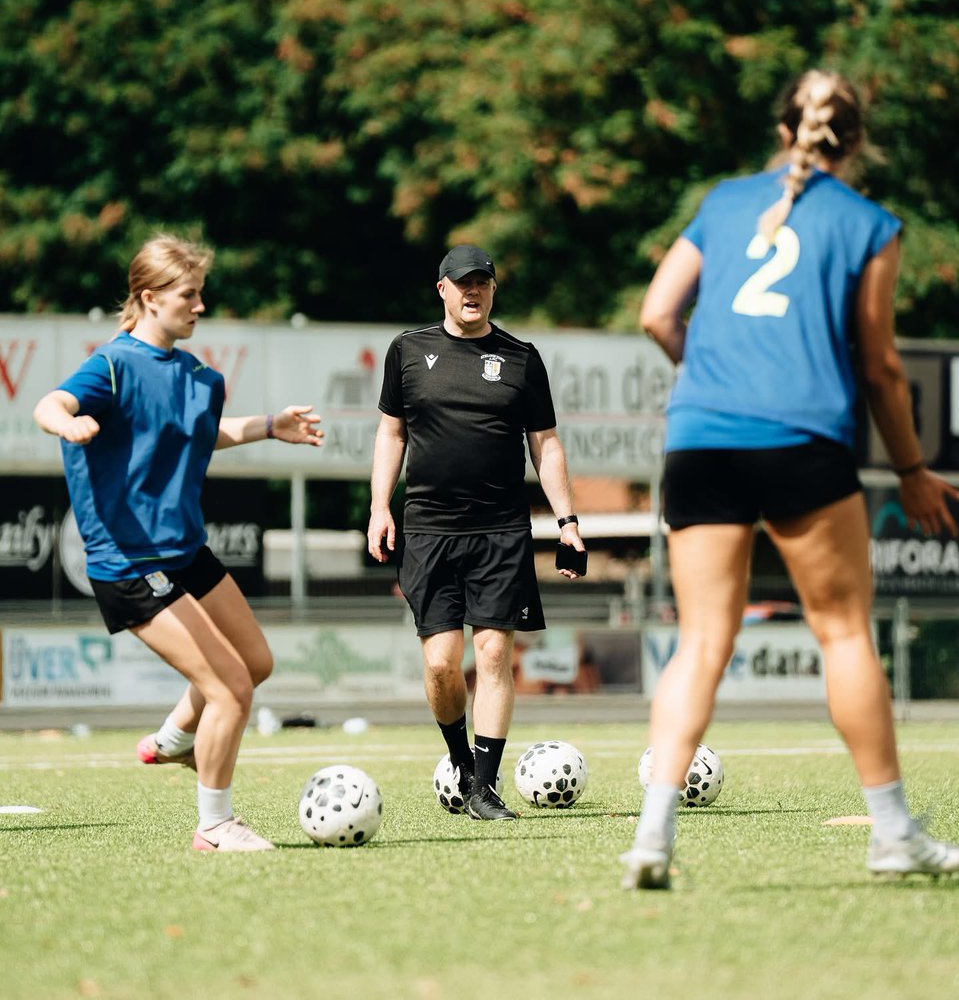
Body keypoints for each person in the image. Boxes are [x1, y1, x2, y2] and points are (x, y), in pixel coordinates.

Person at [622, 69, 959, 889]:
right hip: (800, 436)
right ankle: (890, 834)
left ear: (783, 131)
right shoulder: (870, 223)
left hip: (698, 436)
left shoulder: (725, 199)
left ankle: (652, 839)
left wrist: (710, 379)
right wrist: (912, 470)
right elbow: (881, 366)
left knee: (701, 640)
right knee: (842, 632)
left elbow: (656, 314)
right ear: (856, 142)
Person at [33, 234, 323, 852]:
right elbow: (50, 403)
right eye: (188, 295)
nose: (198, 306)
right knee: (230, 690)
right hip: (130, 562)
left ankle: (174, 739)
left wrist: (271, 427)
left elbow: (200, 434)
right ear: (149, 298)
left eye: (200, 295)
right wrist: (70, 421)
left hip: (185, 552)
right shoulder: (111, 365)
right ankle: (215, 826)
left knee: (256, 664)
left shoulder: (198, 375)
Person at [367, 244, 586, 820]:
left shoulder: (520, 357)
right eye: (462, 282)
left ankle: (485, 788)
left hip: (501, 528)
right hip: (429, 528)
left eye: (482, 282)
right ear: (442, 288)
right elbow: (392, 434)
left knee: (493, 653)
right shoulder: (408, 351)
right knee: (442, 662)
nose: (473, 291)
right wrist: (378, 507)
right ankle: (462, 764)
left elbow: (546, 443)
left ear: (493, 289)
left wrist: (568, 523)